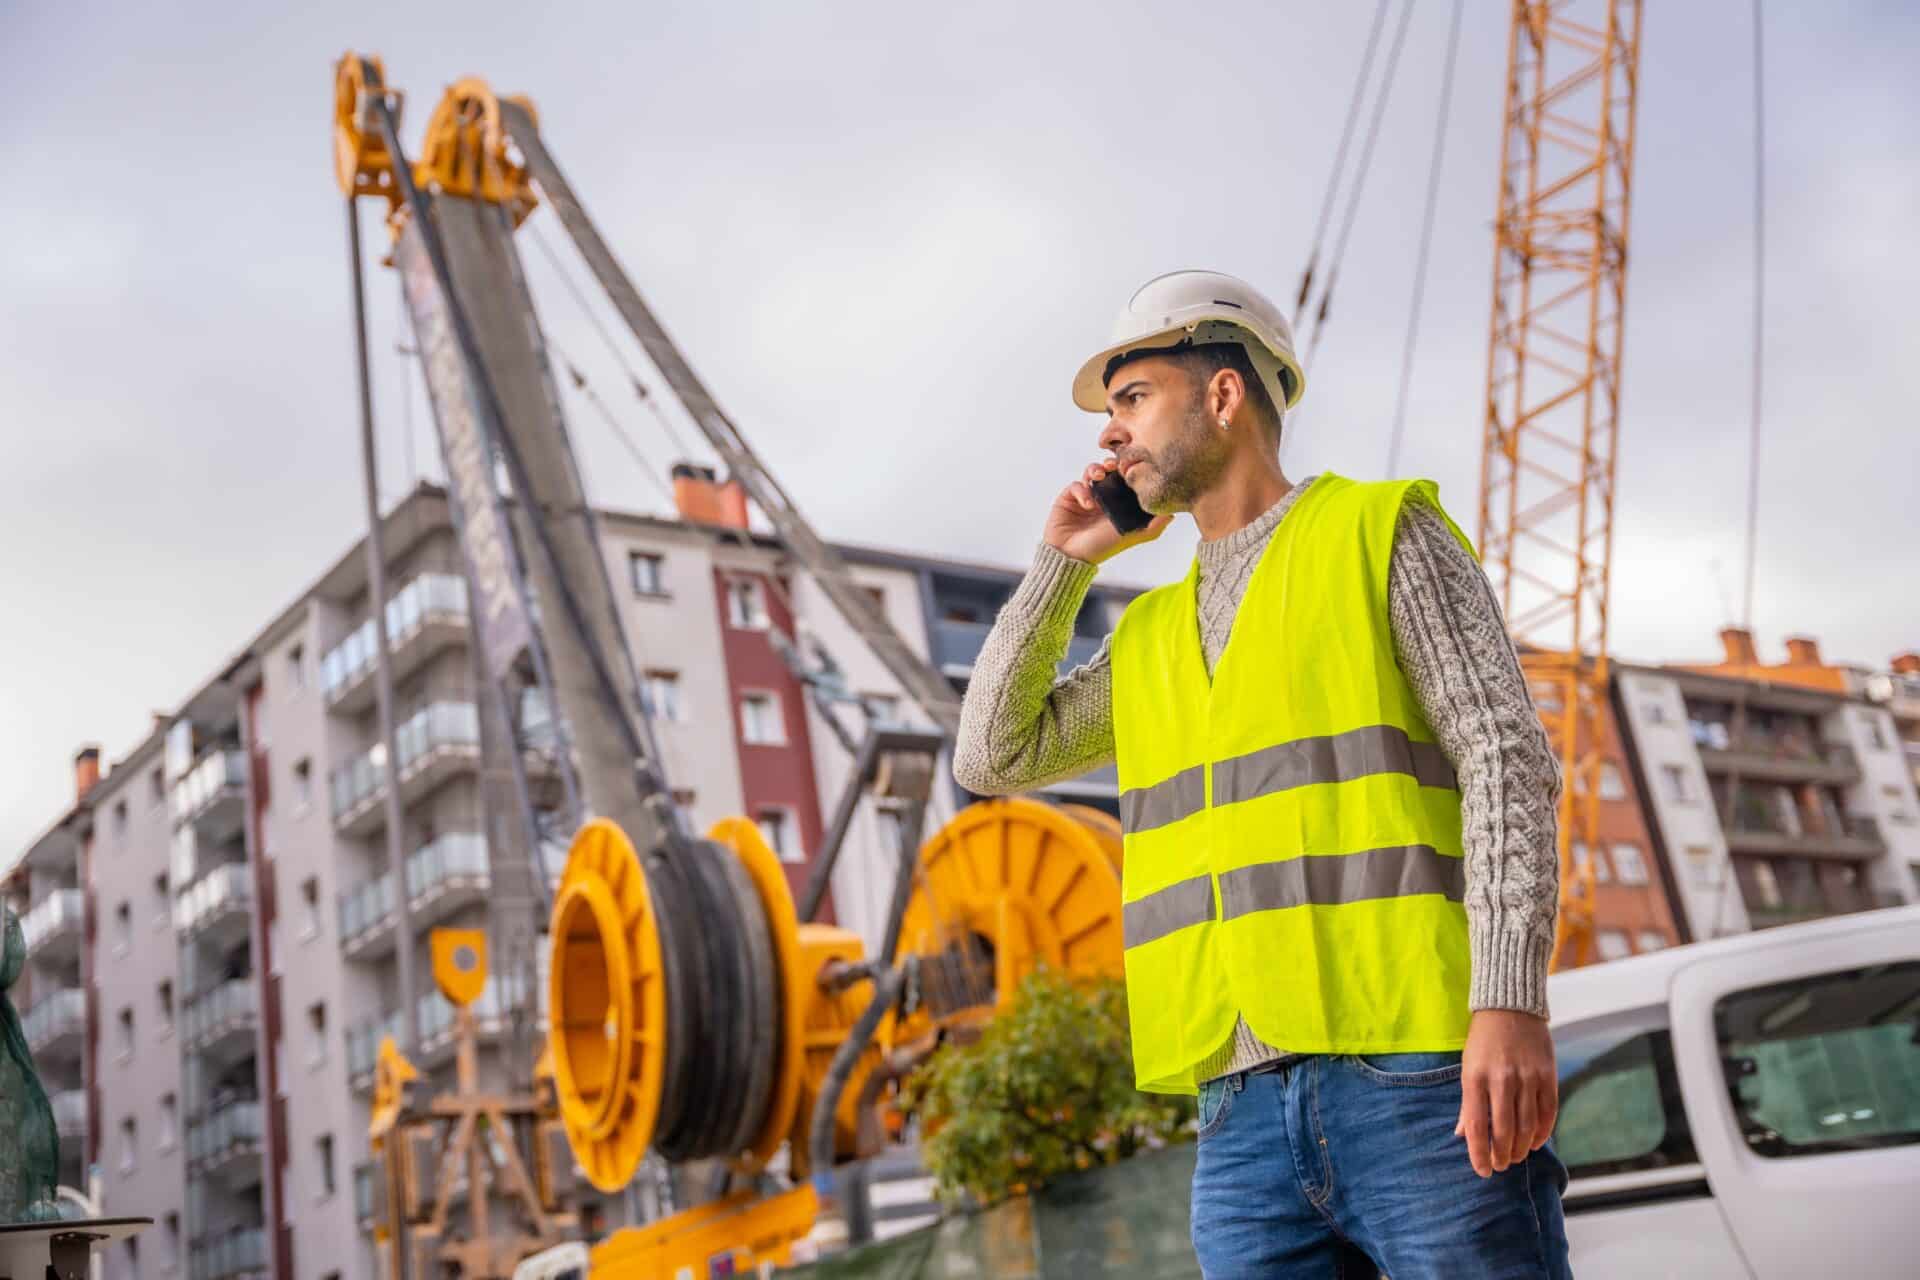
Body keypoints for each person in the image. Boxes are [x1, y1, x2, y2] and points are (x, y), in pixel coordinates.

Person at [953, 270, 1571, 1278]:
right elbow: (990, 754)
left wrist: (1509, 998)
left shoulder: (1378, 532)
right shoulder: (1152, 632)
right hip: (1237, 1118)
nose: (1112, 436)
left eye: (1134, 398)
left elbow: (1505, 756)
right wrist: (1062, 561)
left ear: (1224, 395)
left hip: (1418, 1075)